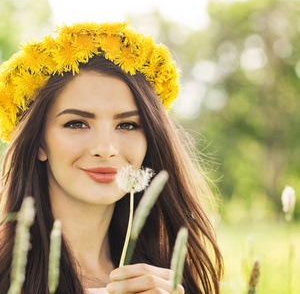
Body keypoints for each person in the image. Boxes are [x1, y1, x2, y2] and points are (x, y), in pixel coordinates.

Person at [0, 21, 223, 293]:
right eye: (77, 123)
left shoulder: (168, 277)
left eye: (127, 125)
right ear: (39, 143)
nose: (106, 149)